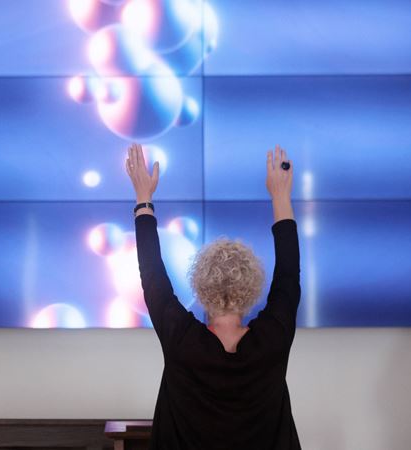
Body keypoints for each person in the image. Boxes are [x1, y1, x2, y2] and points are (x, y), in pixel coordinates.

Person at [125, 143, 301, 449]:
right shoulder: (273, 338)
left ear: (200, 286)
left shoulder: (182, 339)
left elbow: (151, 275)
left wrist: (144, 198)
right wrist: (281, 196)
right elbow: (289, 273)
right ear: (252, 286)